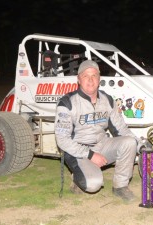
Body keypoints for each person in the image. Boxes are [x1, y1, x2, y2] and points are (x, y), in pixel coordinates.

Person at [55, 60, 145, 202]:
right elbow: (62, 140)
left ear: (99, 78)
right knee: (93, 185)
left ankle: (120, 187)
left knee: (129, 142)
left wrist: (141, 145)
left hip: (102, 145)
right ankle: (78, 177)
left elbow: (121, 129)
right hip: (79, 151)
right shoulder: (67, 102)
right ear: (79, 79)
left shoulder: (107, 100)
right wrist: (90, 155)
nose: (90, 80)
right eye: (86, 76)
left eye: (94, 75)